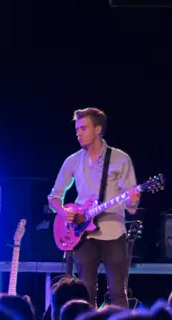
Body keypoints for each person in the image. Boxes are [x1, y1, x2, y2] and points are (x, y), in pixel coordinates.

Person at [48, 107, 140, 309]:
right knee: (85, 292)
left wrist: (133, 199)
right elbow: (54, 197)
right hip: (83, 234)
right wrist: (64, 212)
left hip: (113, 232)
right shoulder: (72, 160)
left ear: (98, 130)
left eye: (83, 128)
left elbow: (131, 206)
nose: (78, 133)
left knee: (118, 292)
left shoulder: (120, 159)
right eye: (77, 129)